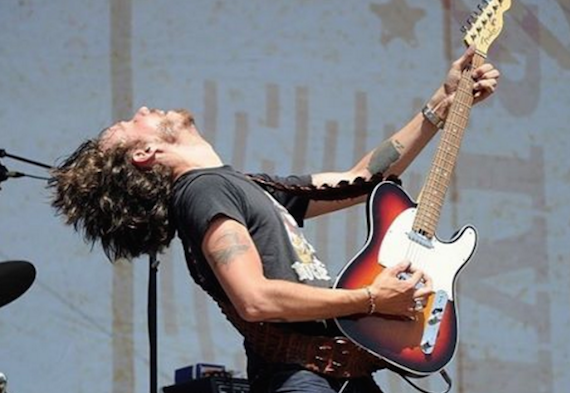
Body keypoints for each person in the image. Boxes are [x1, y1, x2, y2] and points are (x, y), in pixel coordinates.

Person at [49, 46, 499, 392]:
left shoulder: (239, 185)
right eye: (133, 122)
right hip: (300, 379)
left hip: (334, 374)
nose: (144, 109)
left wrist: (441, 104)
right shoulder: (202, 190)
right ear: (145, 154)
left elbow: (361, 179)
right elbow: (255, 299)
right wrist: (372, 300)